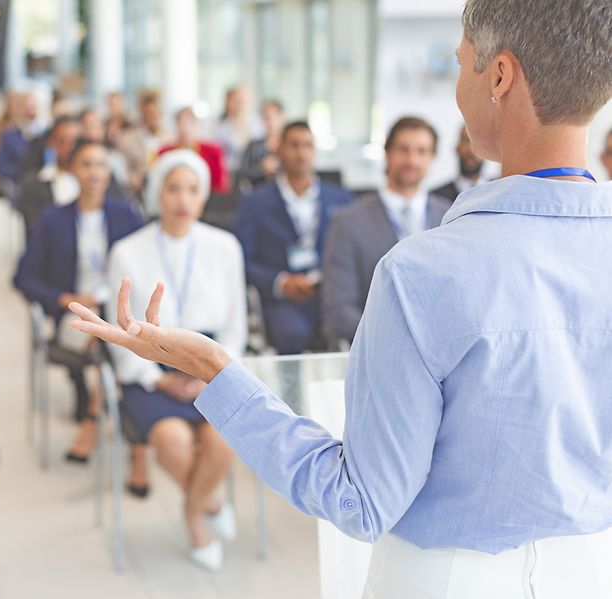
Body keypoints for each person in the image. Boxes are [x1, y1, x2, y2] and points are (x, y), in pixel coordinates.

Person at [68, 0, 612, 596]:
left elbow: (361, 500)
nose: (458, 91)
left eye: (462, 65)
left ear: (500, 75)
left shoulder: (425, 271)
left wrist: (213, 367)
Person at [106, 150, 245, 571]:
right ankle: (207, 509)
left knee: (223, 441)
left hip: (211, 364)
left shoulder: (225, 246)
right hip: (152, 367)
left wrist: (214, 373)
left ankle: (191, 509)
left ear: (204, 196)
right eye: (173, 189)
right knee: (173, 440)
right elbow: (121, 332)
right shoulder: (127, 251)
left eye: (192, 190)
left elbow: (236, 326)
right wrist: (155, 378)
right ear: (156, 194)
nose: (183, 199)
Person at [13, 138, 143, 461]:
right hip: (77, 315)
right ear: (71, 170)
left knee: (122, 337)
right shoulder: (53, 219)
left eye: (101, 165)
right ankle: (137, 444)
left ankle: (93, 419)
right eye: (86, 164)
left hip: (121, 311)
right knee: (126, 343)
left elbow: (146, 267)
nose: (94, 172)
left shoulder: (126, 214)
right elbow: (23, 277)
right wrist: (64, 298)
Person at [322, 117, 451, 345]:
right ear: (387, 153)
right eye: (403, 150)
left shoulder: (451, 219)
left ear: (432, 158)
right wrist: (395, 343)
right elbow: (339, 308)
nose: (412, 160)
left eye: (421, 151)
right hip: (375, 349)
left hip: (443, 351)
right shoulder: (349, 221)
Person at [235, 121, 354, 354]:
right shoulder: (254, 203)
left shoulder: (341, 200)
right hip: (282, 299)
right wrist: (280, 282)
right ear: (280, 150)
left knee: (350, 326)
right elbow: (242, 260)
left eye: (308, 146)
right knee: (292, 333)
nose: (302, 153)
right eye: (294, 145)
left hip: (329, 294)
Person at [16, 116, 82, 239]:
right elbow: (37, 229)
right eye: (62, 141)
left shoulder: (100, 179)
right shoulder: (34, 185)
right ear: (51, 143)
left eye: (76, 142)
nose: (70, 148)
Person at [158, 108, 230, 202]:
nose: (185, 128)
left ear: (196, 125)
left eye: (189, 123)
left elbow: (220, 185)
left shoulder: (213, 151)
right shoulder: (165, 153)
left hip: (210, 202)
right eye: (181, 123)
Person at [117, 90, 169, 200]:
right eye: (150, 114)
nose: (154, 117)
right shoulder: (127, 140)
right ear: (142, 114)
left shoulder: (170, 138)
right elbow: (123, 169)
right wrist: (135, 181)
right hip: (138, 193)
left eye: (157, 113)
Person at [236, 99, 286, 192]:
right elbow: (241, 173)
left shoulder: (289, 147)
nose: (267, 122)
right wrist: (262, 169)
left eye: (270, 117)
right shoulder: (254, 146)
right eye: (264, 118)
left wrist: (278, 168)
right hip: (258, 193)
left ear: (281, 117)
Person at [214, 85, 265, 174]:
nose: (241, 105)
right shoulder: (219, 128)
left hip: (257, 173)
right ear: (228, 102)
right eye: (238, 100)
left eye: (244, 101)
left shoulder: (258, 123)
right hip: (231, 173)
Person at [431, 125, 487, 201]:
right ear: (457, 147)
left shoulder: (499, 191)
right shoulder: (436, 197)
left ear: (488, 152)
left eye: (478, 143)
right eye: (466, 140)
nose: (470, 149)